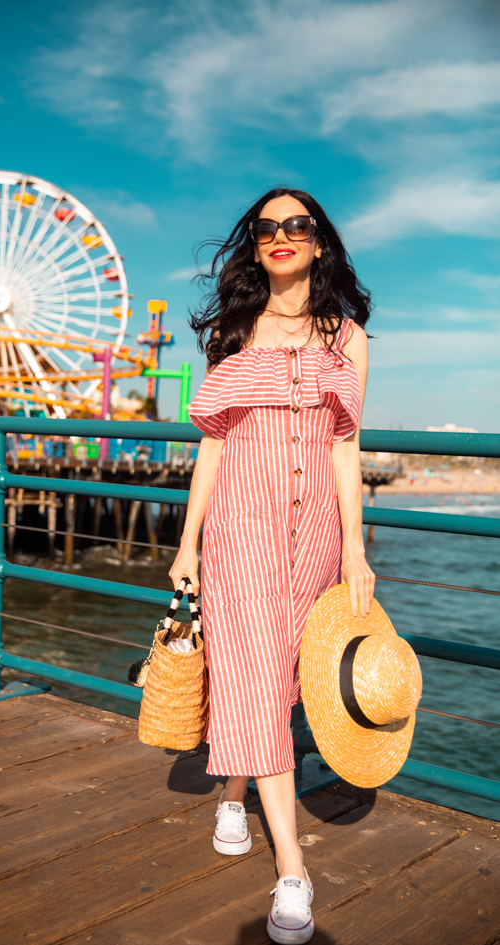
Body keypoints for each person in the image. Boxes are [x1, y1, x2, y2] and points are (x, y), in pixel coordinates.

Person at [169, 187, 375, 944]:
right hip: (241, 530)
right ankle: (293, 867)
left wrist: (356, 546)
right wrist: (187, 544)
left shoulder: (347, 337)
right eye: (266, 228)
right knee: (253, 667)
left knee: (278, 673)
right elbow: (213, 445)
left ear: (319, 242)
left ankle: (232, 786)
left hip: (317, 531)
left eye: (297, 225)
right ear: (254, 246)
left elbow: (346, 445)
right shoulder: (232, 327)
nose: (281, 235)